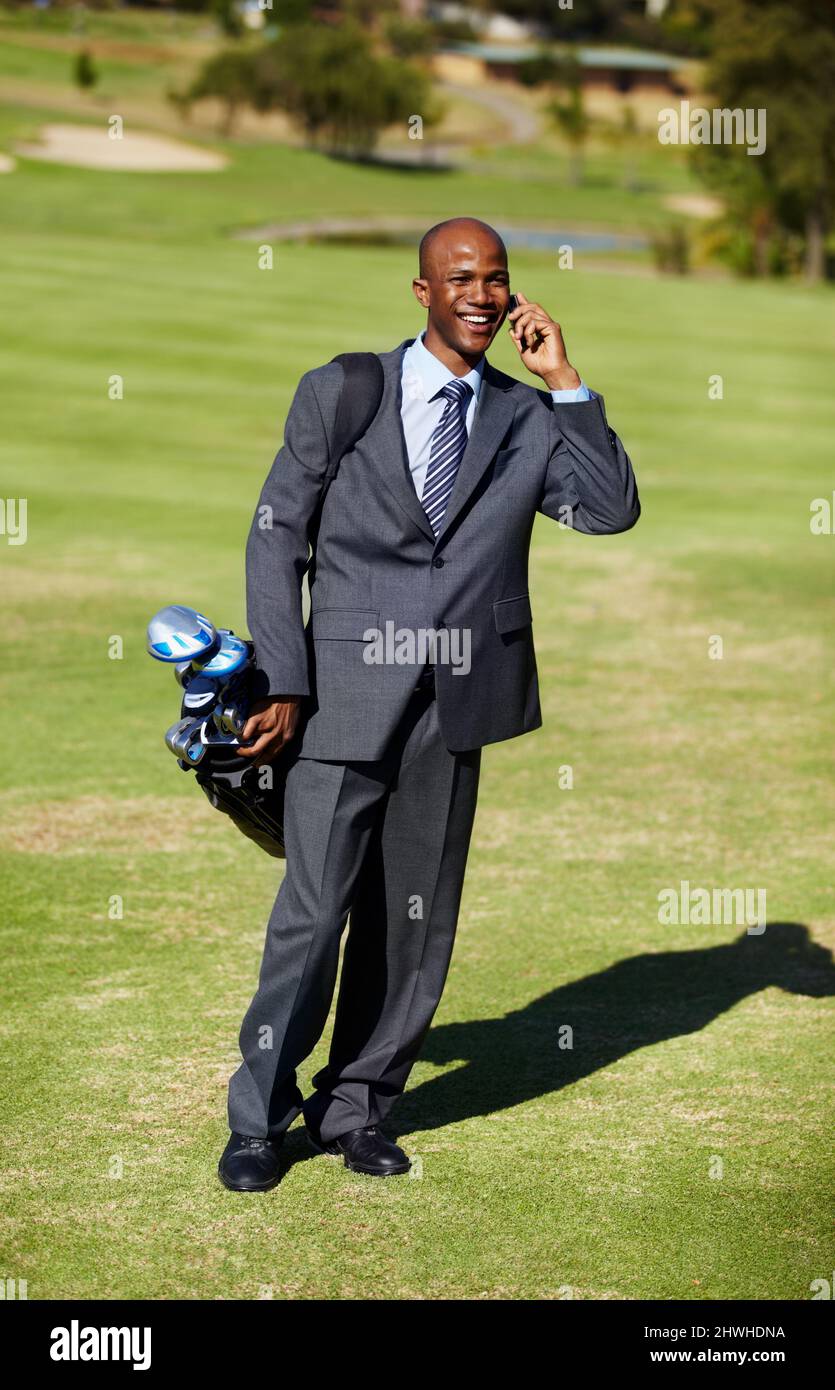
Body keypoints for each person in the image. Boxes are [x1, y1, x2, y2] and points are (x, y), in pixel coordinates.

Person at [218, 216, 640, 1191]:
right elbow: (274, 534)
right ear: (422, 292)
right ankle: (257, 1119)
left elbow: (609, 509)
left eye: (496, 278)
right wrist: (282, 679)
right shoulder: (343, 390)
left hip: (455, 704)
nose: (481, 296)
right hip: (340, 698)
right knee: (313, 916)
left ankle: (358, 1107)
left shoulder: (527, 419)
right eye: (460, 278)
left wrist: (565, 382)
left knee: (413, 924)